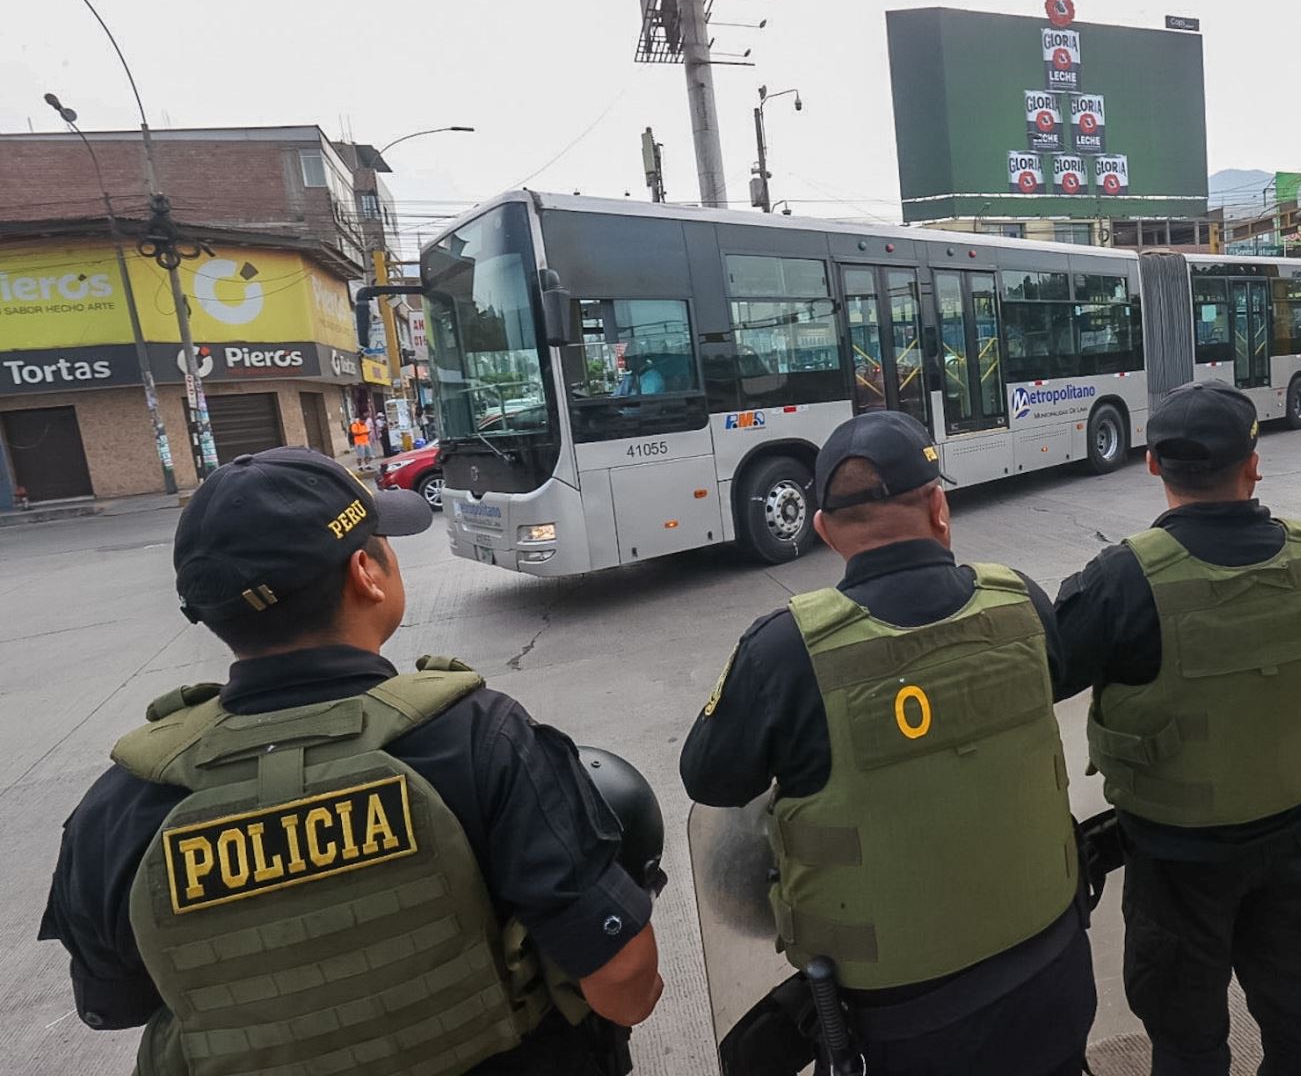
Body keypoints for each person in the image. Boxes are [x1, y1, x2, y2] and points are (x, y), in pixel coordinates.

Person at [40, 447, 663, 1075]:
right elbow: (625, 986)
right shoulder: (481, 738)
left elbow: (112, 1004)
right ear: (366, 572)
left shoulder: (122, 801)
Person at [681, 411, 1096, 1074]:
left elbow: (709, 778)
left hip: (905, 1022)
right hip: (1053, 971)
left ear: (823, 530)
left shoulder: (784, 654)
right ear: (938, 507)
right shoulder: (1022, 602)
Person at [1054, 381, 1301, 1076]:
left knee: (1187, 1041)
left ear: (1152, 464)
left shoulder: (1119, 579)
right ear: (1254, 464)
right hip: (1300, 837)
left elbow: (1047, 675)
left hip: (1177, 857)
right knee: (1300, 1018)